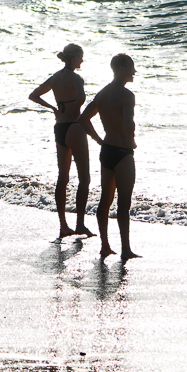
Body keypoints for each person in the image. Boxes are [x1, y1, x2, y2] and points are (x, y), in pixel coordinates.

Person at [29, 43, 95, 239]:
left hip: (60, 128)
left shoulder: (55, 77)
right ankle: (80, 224)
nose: (82, 60)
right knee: (84, 179)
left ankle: (63, 226)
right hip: (75, 127)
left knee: (63, 178)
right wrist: (76, 109)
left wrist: (54, 108)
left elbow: (34, 95)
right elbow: (81, 97)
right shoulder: (76, 78)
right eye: (80, 57)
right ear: (74, 58)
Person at [79, 53, 140, 261]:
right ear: (122, 69)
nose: (134, 71)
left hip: (107, 151)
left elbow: (83, 119)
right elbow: (129, 123)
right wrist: (130, 141)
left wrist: (99, 140)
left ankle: (105, 246)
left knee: (105, 199)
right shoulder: (127, 95)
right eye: (131, 67)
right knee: (124, 203)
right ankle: (125, 249)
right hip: (122, 152)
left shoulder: (103, 93)